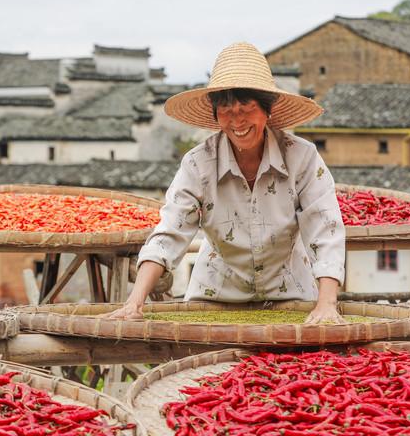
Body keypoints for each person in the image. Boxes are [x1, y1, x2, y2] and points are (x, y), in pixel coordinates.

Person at [107, 42, 345, 323]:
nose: (237, 120)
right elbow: (170, 231)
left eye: (247, 107)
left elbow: (324, 227)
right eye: (226, 110)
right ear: (215, 115)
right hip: (216, 295)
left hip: (290, 293)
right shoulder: (198, 164)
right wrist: (135, 302)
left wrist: (327, 303)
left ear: (267, 111)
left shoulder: (301, 157)